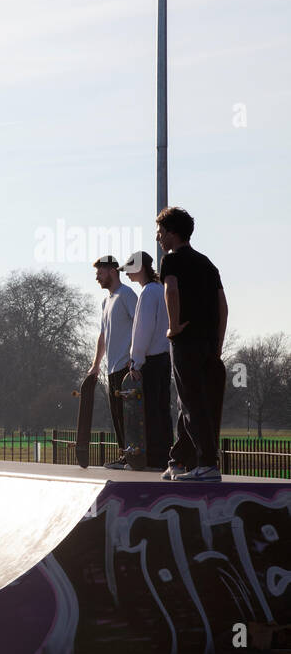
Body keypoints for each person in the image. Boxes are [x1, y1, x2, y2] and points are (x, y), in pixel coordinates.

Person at [157, 207, 227, 482]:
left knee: (191, 401)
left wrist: (173, 327)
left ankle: (208, 463)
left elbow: (170, 290)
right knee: (194, 400)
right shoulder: (207, 263)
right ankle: (179, 460)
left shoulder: (171, 260)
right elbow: (223, 305)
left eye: (161, 232)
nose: (159, 237)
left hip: (186, 340)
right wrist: (219, 344)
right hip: (209, 343)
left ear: (172, 233)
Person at [122, 251, 172, 471]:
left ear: (139, 268)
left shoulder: (148, 293)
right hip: (165, 357)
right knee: (163, 410)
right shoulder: (161, 290)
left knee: (148, 412)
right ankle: (165, 457)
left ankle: (152, 458)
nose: (127, 274)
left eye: (130, 269)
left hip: (150, 360)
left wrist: (136, 361)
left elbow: (143, 330)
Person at [86, 255, 138, 469]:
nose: (97, 277)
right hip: (112, 367)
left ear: (112, 271)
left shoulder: (127, 295)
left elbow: (140, 325)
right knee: (116, 415)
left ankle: (134, 457)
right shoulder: (106, 301)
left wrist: (135, 358)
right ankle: (125, 456)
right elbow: (103, 335)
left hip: (127, 366)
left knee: (129, 416)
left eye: (100, 272)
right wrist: (96, 364)